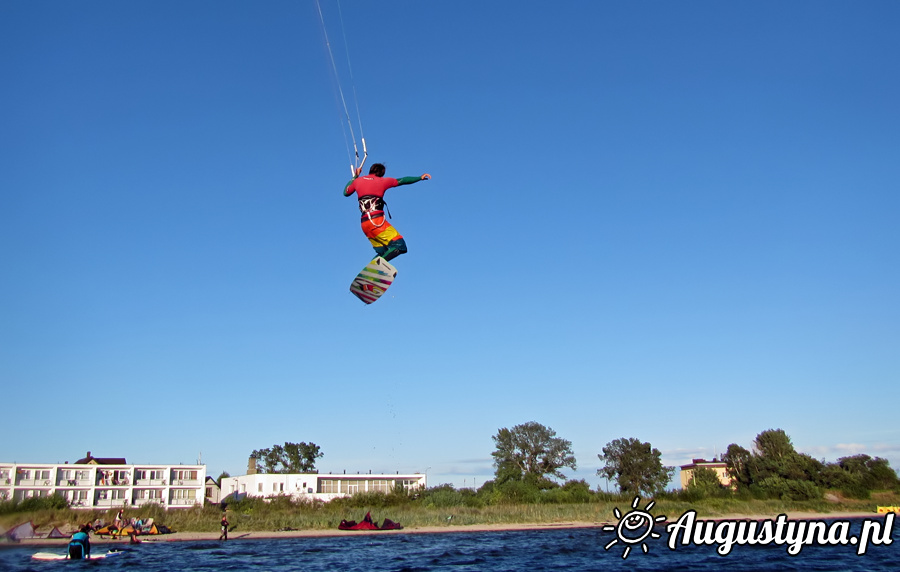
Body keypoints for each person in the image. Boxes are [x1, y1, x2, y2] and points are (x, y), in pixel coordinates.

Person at [343, 163, 431, 261]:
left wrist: (355, 176)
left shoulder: (358, 181)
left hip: (365, 225)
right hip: (377, 222)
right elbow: (402, 180)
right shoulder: (382, 181)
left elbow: (345, 192)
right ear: (382, 173)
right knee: (400, 245)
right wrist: (419, 178)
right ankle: (375, 269)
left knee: (383, 252)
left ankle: (372, 271)